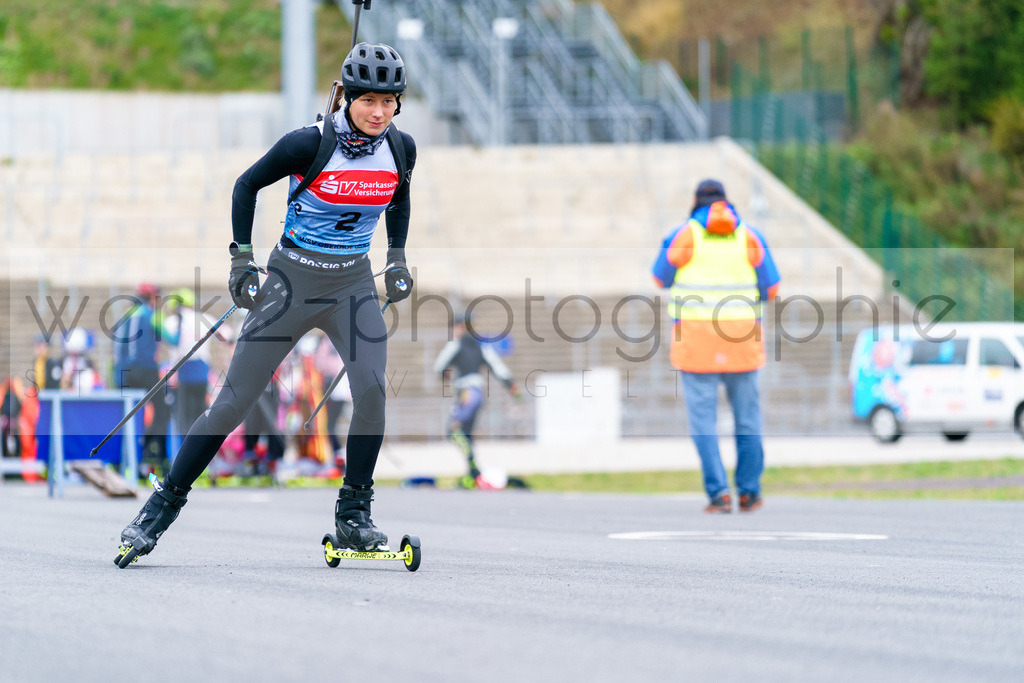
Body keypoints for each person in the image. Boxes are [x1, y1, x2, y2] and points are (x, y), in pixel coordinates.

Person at [115, 42, 417, 564]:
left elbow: (400, 197)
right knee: (232, 404)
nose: (380, 112)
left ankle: (354, 516)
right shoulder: (308, 144)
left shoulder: (402, 147)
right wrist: (241, 261)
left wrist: (395, 257)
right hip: (289, 283)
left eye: (390, 102)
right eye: (369, 100)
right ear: (345, 95)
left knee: (371, 392)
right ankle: (159, 510)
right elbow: (246, 185)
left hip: (352, 286)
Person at [651, 179, 781, 513]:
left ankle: (719, 493)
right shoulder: (748, 235)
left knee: (703, 424)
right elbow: (772, 287)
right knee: (748, 421)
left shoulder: (686, 234)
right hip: (742, 341)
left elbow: (659, 277)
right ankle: (749, 493)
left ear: (696, 201)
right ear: (726, 201)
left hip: (696, 344)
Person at [433, 312, 519, 488]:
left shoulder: (456, 343)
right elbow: (498, 367)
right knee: (466, 435)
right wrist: (511, 386)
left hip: (467, 393)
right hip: (478, 394)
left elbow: (439, 366)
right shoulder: (481, 346)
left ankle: (474, 470)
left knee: (453, 430)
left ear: (460, 327)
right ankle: (471, 473)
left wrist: (445, 374)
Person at [112, 282, 171, 471]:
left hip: (126, 371)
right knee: (162, 412)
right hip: (147, 369)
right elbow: (171, 338)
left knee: (128, 415)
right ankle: (155, 456)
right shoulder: (152, 314)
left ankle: (123, 460)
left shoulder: (128, 315)